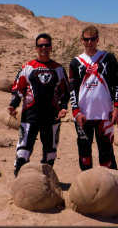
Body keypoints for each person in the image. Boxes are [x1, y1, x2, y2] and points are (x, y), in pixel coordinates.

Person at [8, 33, 70, 177]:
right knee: (23, 150)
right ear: (36, 48)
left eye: (47, 45)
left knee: (50, 152)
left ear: (51, 47)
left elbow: (65, 92)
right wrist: (13, 105)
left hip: (52, 115)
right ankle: (20, 178)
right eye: (41, 45)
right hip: (31, 114)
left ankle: (46, 181)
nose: (44, 48)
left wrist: (63, 108)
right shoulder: (28, 67)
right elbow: (18, 88)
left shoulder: (58, 69)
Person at [69, 25, 118, 171]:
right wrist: (75, 111)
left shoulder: (108, 58)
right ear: (82, 40)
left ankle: (113, 189)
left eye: (92, 39)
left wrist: (117, 108)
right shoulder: (76, 62)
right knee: (84, 153)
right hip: (83, 116)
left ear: (98, 39)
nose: (89, 42)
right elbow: (72, 90)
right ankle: (87, 188)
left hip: (105, 115)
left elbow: (117, 84)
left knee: (106, 153)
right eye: (86, 39)